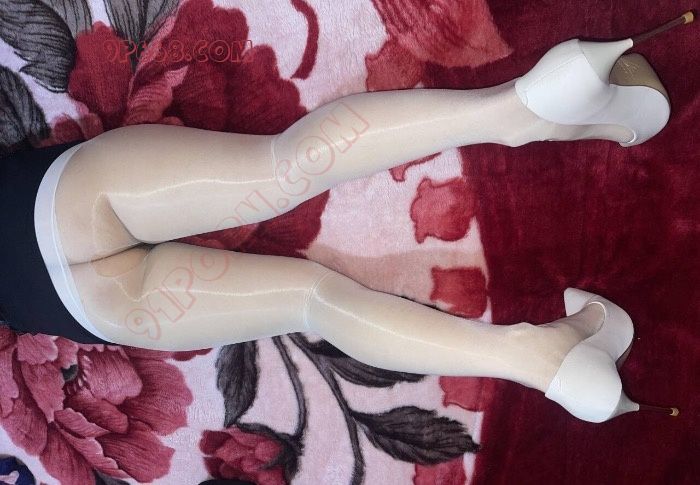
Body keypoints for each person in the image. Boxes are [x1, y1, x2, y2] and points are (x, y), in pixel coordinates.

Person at [1, 13, 691, 423]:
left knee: (314, 303)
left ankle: (539, 362)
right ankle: (521, 106)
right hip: (56, 200)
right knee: (284, 168)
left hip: (82, 307)